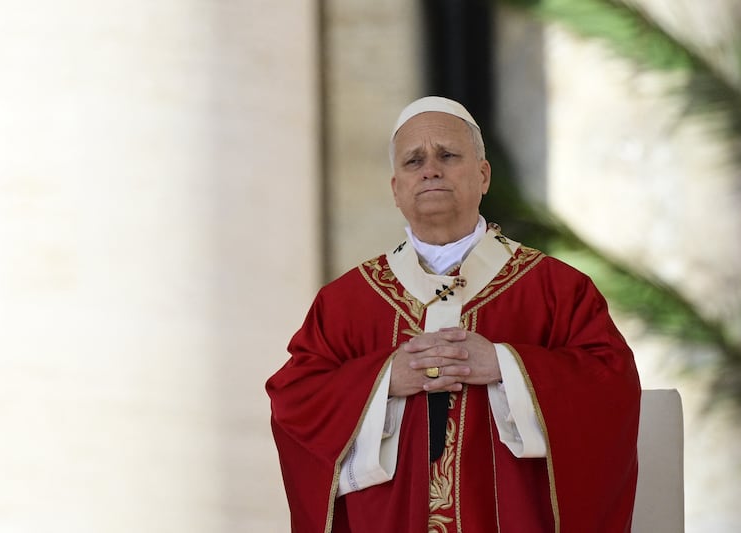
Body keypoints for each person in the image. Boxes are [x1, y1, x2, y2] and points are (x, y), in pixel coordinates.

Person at [266, 96, 641, 532]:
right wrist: (384, 380)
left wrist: (505, 366)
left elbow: (611, 384)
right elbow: (295, 400)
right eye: (413, 160)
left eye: (447, 155)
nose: (430, 169)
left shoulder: (557, 290)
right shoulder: (346, 302)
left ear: (483, 176)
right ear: (395, 189)